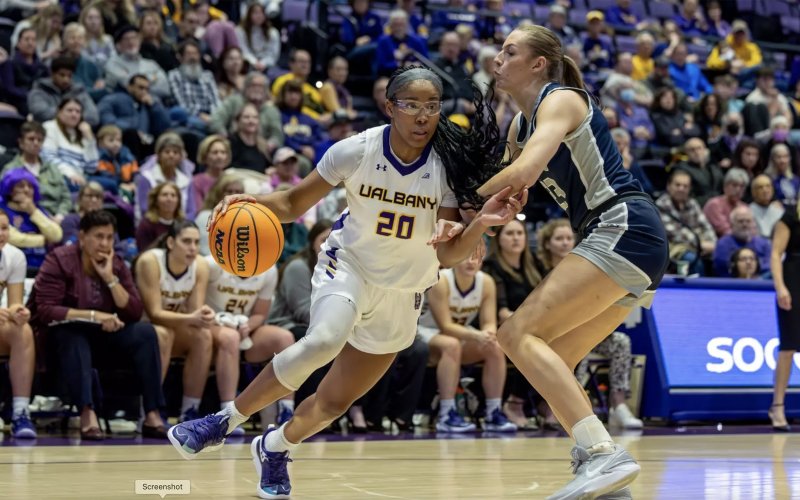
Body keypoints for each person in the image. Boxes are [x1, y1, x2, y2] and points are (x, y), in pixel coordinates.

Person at [168, 65, 524, 499]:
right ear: (389, 106)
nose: (422, 116)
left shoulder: (445, 167)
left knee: (335, 403)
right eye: (411, 105)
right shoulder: (355, 151)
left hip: (405, 290)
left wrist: (479, 225)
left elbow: (447, 255)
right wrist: (250, 200)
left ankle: (274, 446)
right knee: (324, 340)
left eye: (431, 107)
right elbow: (293, 202)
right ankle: (223, 421)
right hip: (349, 267)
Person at [477, 25, 669, 498]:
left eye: (510, 51)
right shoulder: (521, 126)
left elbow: (521, 173)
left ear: (538, 63)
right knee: (554, 357)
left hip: (622, 224)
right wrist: (458, 222)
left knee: (515, 334)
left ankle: (603, 455)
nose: (497, 59)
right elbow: (498, 196)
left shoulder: (560, 100)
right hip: (631, 241)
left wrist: (462, 205)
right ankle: (605, 478)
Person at [29, 210, 167, 440]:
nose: (104, 243)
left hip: (102, 340)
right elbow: (45, 310)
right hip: (59, 341)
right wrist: (94, 316)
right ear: (82, 237)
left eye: (109, 237)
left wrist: (110, 278)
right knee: (72, 335)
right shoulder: (59, 260)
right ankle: (86, 413)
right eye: (98, 236)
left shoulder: (117, 264)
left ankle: (152, 414)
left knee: (145, 332)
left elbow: (134, 311)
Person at [417, 251, 516, 433]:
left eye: (476, 257)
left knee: (494, 347)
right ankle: (447, 413)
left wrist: (488, 335)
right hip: (427, 331)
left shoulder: (486, 282)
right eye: (465, 256)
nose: (471, 262)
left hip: (461, 335)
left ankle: (493, 411)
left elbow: (489, 323)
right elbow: (445, 326)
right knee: (451, 344)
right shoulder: (441, 280)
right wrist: (477, 336)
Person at [135, 220, 215, 423]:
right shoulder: (150, 262)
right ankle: (149, 410)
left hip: (175, 327)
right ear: (170, 243)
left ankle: (190, 411)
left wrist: (204, 316)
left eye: (196, 242)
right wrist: (191, 317)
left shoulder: (201, 265)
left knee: (203, 336)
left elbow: (195, 313)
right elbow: (154, 313)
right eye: (186, 241)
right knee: (164, 334)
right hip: (142, 331)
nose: (193, 248)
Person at [205, 257, 296, 434]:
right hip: (212, 327)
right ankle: (227, 417)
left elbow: (260, 314)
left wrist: (247, 327)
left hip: (244, 329)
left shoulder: (268, 269)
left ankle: (286, 411)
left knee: (285, 338)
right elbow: (197, 304)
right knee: (230, 337)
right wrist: (223, 323)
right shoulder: (212, 264)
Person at [0, 209, 37, 438]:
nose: (1, 234)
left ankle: (21, 413)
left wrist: (19, 312)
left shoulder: (15, 257)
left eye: (4, 228)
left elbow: (14, 303)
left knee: (23, 331)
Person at [770, 203, 800, 431]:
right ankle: (777, 406)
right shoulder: (791, 216)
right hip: (793, 280)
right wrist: (780, 287)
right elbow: (776, 253)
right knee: (788, 347)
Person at [712, 205, 771, 277]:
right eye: (740, 221)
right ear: (732, 224)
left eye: (748, 221)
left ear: (753, 223)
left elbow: (769, 266)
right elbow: (724, 267)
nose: (745, 224)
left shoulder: (764, 244)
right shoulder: (723, 245)